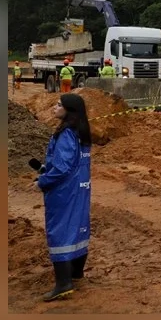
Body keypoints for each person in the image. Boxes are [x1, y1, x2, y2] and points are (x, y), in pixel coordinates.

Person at [36, 93, 92, 301]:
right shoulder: (81, 133)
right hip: (80, 189)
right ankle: (76, 274)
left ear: (69, 111)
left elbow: (61, 168)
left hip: (64, 192)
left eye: (59, 105)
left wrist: (42, 181)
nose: (54, 107)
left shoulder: (66, 134)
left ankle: (63, 283)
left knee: (60, 231)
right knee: (78, 228)